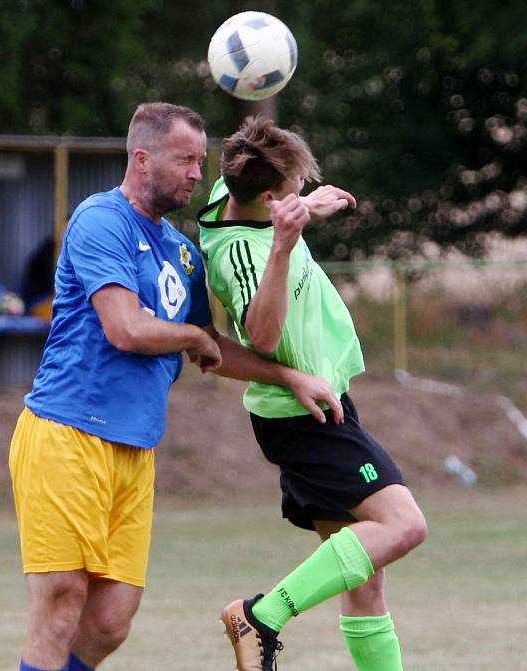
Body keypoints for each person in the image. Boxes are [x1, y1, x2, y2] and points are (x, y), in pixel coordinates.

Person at [8, 103, 344, 671]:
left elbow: (209, 346)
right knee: (62, 598)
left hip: (134, 450)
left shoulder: (181, 250)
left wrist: (288, 376)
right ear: (142, 159)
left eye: (200, 162)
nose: (197, 173)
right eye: (185, 160)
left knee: (111, 620)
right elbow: (126, 328)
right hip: (67, 435)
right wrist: (192, 333)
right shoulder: (101, 220)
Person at [197, 116, 428, 671]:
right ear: (271, 200)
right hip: (304, 416)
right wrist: (284, 243)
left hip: (317, 403)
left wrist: (306, 211)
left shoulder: (229, 190)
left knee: (364, 579)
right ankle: (262, 614)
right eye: (295, 187)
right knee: (403, 526)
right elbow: (264, 334)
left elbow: (258, 174)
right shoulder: (247, 255)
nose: (303, 188)